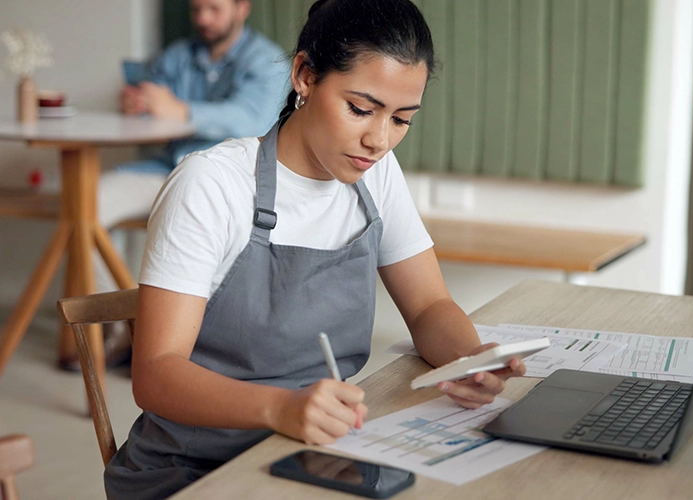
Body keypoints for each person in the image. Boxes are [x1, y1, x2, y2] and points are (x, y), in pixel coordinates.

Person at [104, 0, 526, 498]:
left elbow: (430, 306)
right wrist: (280, 408)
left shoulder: (378, 176)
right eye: (361, 109)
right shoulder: (213, 184)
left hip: (317, 454)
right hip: (196, 470)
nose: (379, 139)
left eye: (402, 120)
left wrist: (469, 359)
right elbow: (154, 375)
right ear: (304, 75)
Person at [84, 0, 290, 371]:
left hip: (226, 180)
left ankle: (181, 340)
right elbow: (150, 99)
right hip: (165, 169)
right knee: (85, 207)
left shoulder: (267, 61)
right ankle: (122, 331)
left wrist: (181, 110)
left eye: (213, 9)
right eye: (196, 10)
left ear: (243, 7)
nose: (203, 19)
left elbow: (254, 119)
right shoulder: (177, 56)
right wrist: (137, 103)